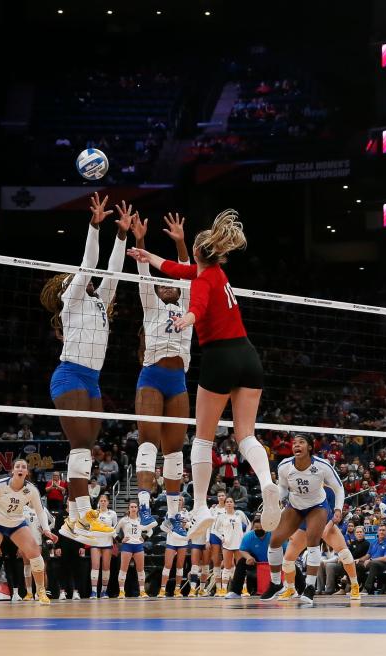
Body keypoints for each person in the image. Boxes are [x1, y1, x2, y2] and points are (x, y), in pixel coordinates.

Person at [127, 209, 280, 536]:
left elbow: (197, 303)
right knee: (246, 436)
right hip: (248, 356)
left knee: (203, 438)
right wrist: (148, 254)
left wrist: (187, 320)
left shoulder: (200, 281)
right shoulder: (217, 275)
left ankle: (198, 508)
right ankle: (268, 483)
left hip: (220, 357)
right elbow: (174, 268)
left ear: (197, 253)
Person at [40, 192, 131, 545]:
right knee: (80, 444)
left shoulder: (99, 301)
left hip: (92, 380)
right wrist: (95, 225)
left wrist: (121, 235)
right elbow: (90, 262)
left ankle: (74, 519)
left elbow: (114, 272)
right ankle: (80, 514)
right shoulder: (72, 300)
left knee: (86, 448)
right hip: (70, 374)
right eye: (74, 279)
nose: (80, 279)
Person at [127, 212, 193, 537]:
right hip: (152, 377)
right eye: (162, 282)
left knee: (175, 450)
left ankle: (173, 515)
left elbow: (186, 270)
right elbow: (142, 271)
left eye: (171, 281)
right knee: (148, 442)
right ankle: (143, 508)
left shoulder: (188, 302)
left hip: (178, 382)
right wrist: (139, 240)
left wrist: (180, 241)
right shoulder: (150, 303)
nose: (166, 285)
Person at [260, 434, 344, 604]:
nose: (296, 445)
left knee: (313, 542)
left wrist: (338, 508)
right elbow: (283, 487)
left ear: (310, 447)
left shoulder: (322, 465)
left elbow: (338, 488)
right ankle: (276, 583)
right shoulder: (284, 466)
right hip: (295, 506)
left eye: (301, 442)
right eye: (294, 443)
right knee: (275, 541)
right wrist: (277, 498)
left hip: (317, 507)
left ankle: (310, 587)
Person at [0, 459, 58, 607]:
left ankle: (40, 592)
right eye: (18, 466)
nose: (20, 469)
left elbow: (40, 511)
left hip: (16, 523)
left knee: (35, 553)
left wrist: (47, 530)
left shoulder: (32, 490)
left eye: (24, 467)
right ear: (13, 471)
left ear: (27, 472)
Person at [279, 484, 360, 601]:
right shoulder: (296, 491)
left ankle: (355, 585)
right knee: (287, 561)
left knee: (345, 554)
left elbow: (336, 516)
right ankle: (291, 589)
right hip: (304, 527)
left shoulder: (329, 490)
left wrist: (327, 528)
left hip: (326, 524)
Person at [213, 496, 250, 597]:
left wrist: (245, 537)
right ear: (225, 504)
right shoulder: (221, 517)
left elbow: (249, 525)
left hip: (239, 544)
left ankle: (244, 589)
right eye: (227, 502)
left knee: (240, 568)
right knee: (227, 566)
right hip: (227, 544)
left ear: (234, 504)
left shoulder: (240, 514)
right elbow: (214, 530)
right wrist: (222, 537)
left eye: (231, 502)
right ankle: (224, 590)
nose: (229, 503)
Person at [116, 501, 151, 598]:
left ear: (138, 508)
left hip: (138, 546)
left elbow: (150, 530)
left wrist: (145, 538)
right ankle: (121, 592)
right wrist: (120, 539)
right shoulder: (123, 520)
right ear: (129, 508)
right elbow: (114, 531)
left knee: (140, 570)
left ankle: (142, 591)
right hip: (127, 546)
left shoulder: (141, 520)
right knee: (123, 570)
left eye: (135, 507)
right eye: (131, 507)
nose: (133, 508)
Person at [20, 501, 51, 600]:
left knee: (38, 567)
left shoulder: (42, 509)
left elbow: (53, 520)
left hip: (38, 542)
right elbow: (17, 525)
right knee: (27, 567)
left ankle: (39, 593)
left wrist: (46, 531)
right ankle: (29, 593)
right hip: (25, 541)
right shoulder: (23, 508)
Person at [89, 494, 118, 598]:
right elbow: (90, 527)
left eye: (105, 500)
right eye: (101, 500)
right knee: (95, 566)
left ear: (108, 502)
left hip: (107, 543)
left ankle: (104, 591)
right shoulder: (94, 513)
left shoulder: (112, 514)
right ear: (98, 502)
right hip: (95, 543)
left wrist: (116, 541)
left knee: (106, 567)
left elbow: (115, 529)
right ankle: (93, 591)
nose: (103, 502)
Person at [361, 524, 386, 594]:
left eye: (383, 530)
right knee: (358, 565)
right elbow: (368, 555)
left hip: (384, 565)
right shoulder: (373, 542)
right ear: (377, 532)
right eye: (380, 530)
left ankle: (367, 588)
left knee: (374, 564)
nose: (381, 532)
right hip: (372, 563)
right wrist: (359, 560)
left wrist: (371, 560)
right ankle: (354, 587)